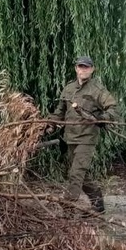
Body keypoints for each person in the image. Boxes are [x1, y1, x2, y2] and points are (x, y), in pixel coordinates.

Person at [48, 56, 120, 212]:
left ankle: (68, 209)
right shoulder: (68, 88)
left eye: (86, 67)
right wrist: (50, 124)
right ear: (76, 69)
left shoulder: (97, 89)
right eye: (80, 67)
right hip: (70, 138)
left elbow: (113, 108)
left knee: (76, 173)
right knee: (80, 174)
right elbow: (60, 111)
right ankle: (98, 205)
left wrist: (101, 119)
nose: (83, 69)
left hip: (87, 138)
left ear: (92, 69)